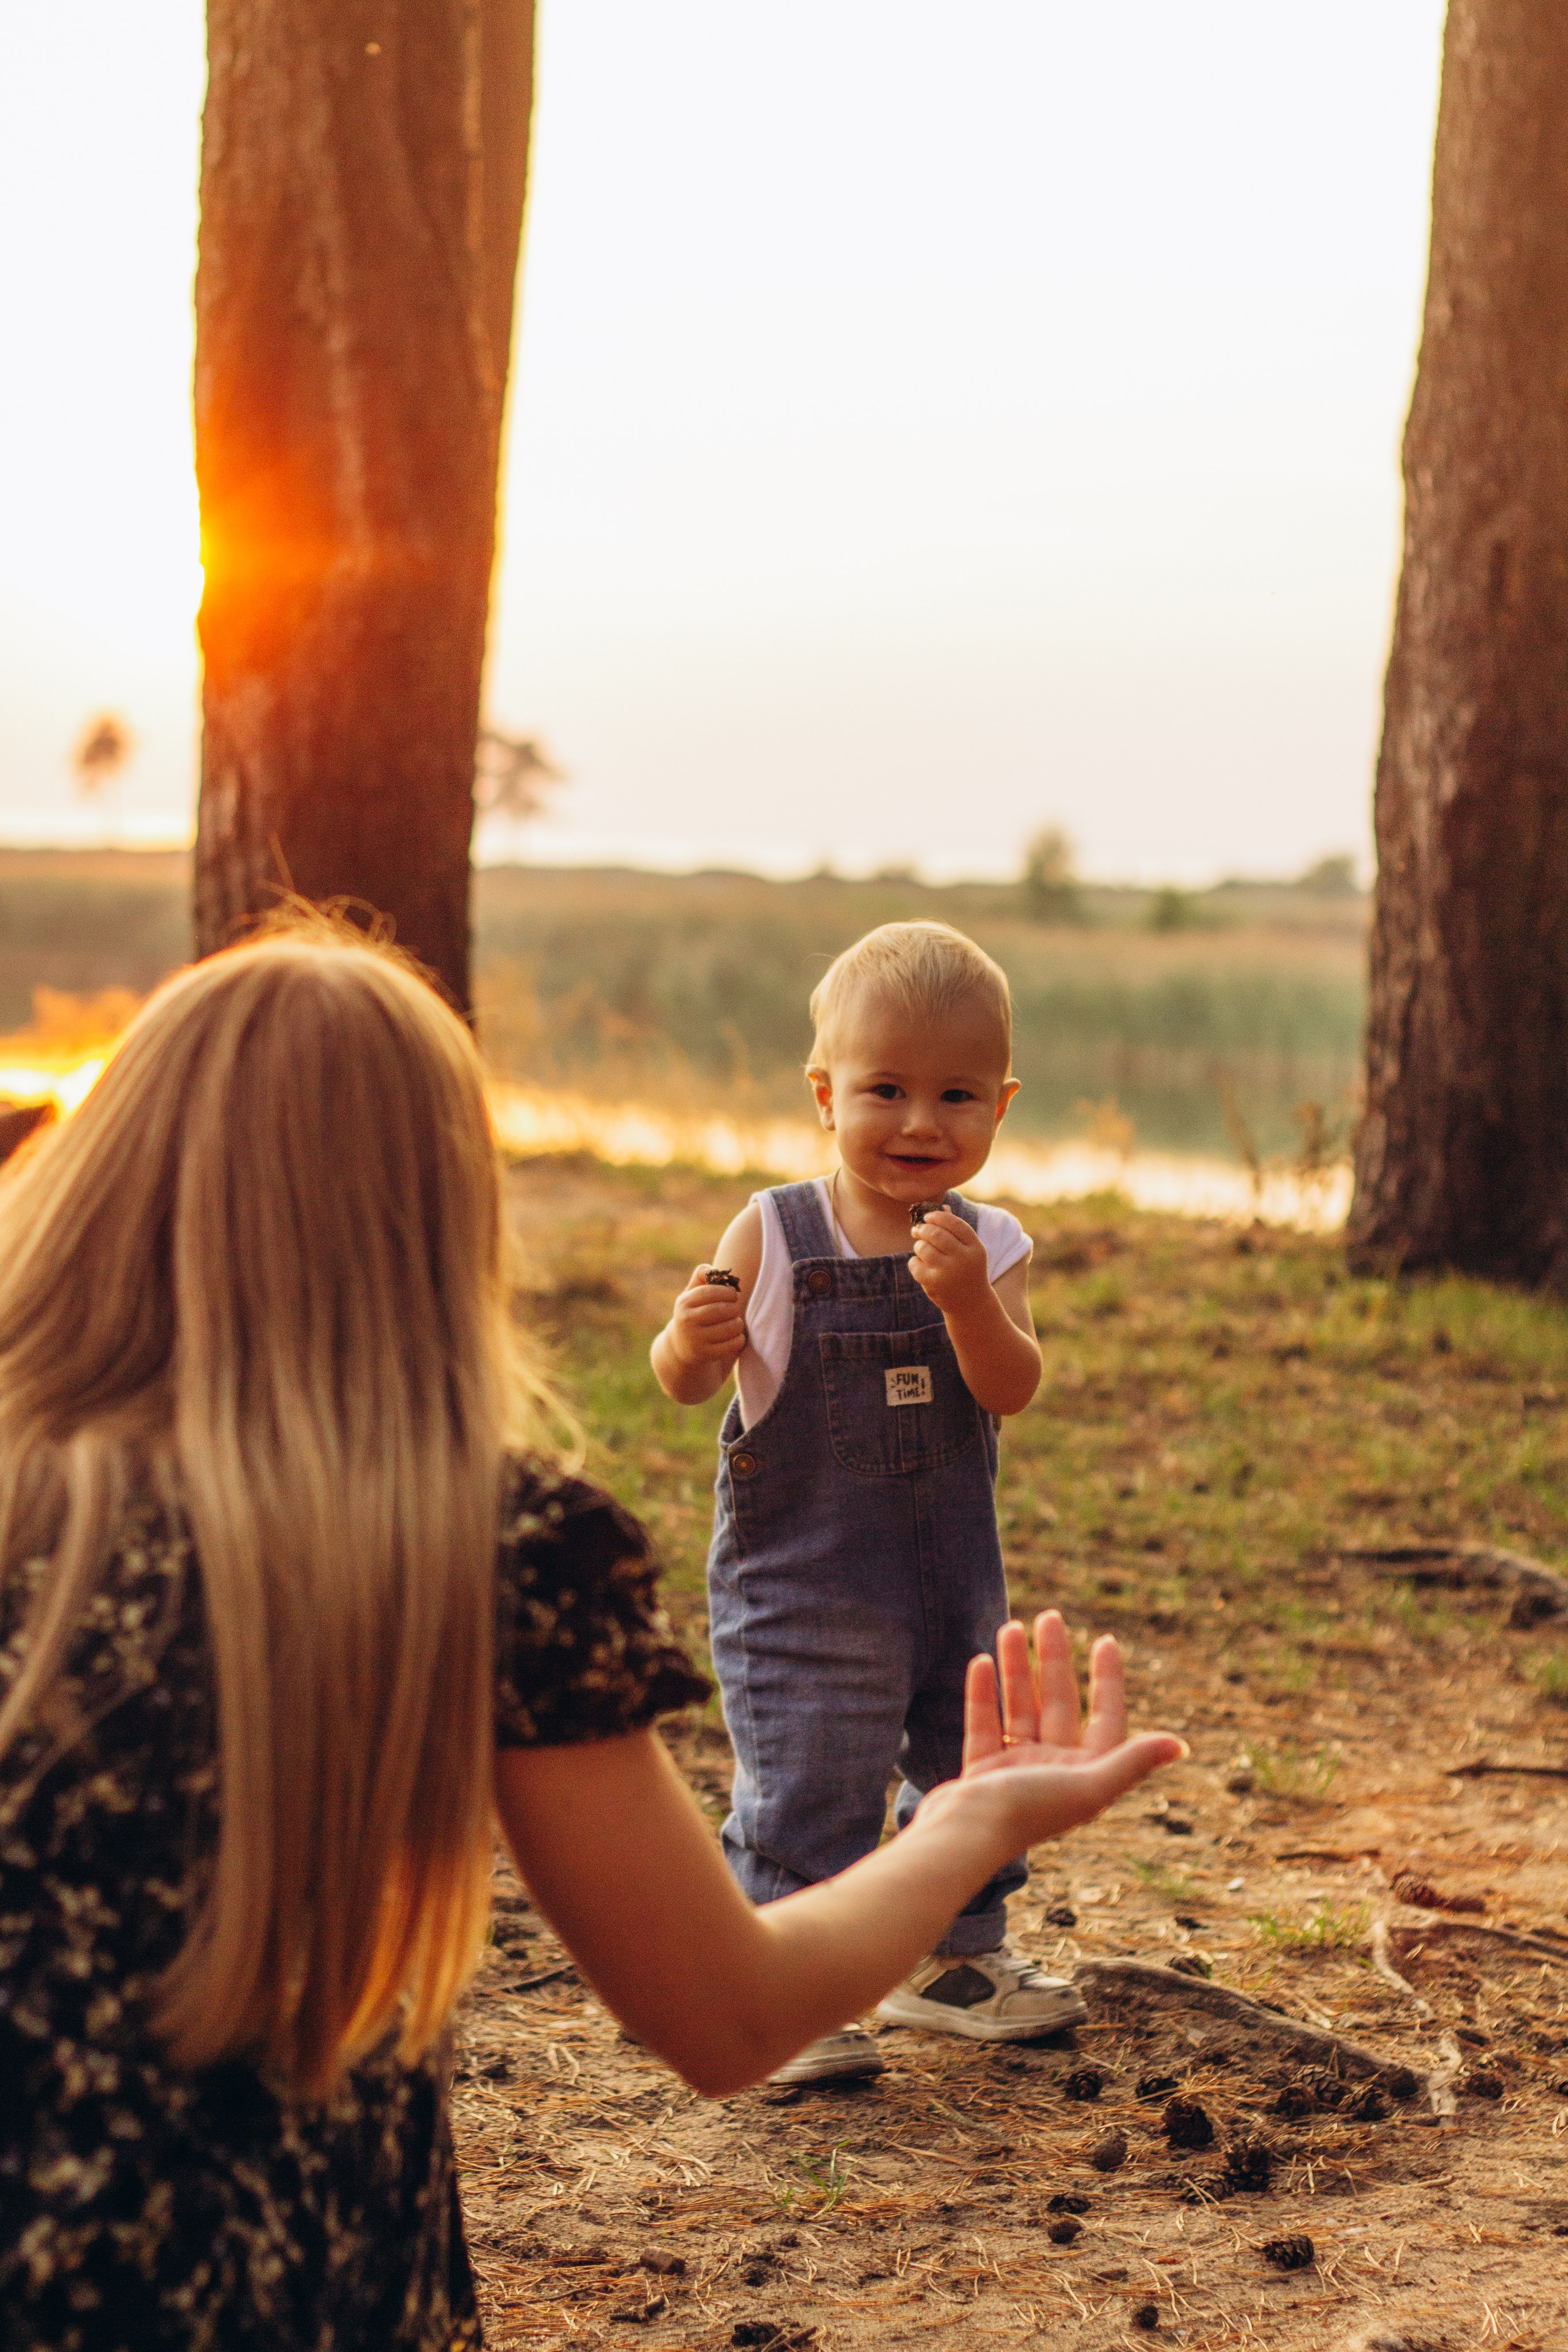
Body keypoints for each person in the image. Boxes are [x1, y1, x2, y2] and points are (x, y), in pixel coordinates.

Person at [0, 924, 1182, 2351]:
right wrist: (969, 1826)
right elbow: (720, 2014)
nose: (915, 1122)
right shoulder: (486, 1548)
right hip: (283, 2297)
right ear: (437, 1209)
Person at [650, 921, 1076, 2087]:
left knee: (965, 1754)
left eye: (957, 1095)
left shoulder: (988, 1243)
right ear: (825, 1095)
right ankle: (787, 1985)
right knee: (809, 1774)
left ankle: (955, 1965)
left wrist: (971, 1308)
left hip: (950, 1581)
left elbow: (1014, 1386)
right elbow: (690, 1383)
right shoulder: (777, 1231)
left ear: (1003, 1105)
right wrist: (687, 1344)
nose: (922, 1123)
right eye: (886, 1090)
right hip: (804, 1581)